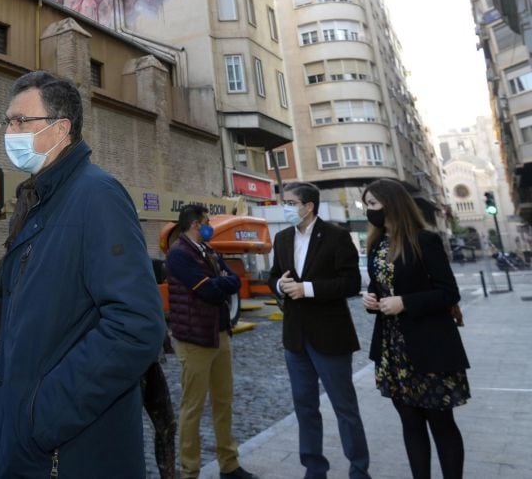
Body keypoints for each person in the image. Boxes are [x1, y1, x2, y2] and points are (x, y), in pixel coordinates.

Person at [0, 71, 165, 479]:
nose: (10, 132)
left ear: (60, 128)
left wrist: (43, 414)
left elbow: (136, 324)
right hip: (23, 442)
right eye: (7, 121)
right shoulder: (40, 198)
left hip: (69, 450)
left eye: (20, 121)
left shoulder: (96, 195)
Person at [362, 178, 469, 479]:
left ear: (392, 203)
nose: (368, 210)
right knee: (410, 423)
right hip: (393, 349)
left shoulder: (425, 240)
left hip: (430, 346)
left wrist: (405, 302)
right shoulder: (377, 244)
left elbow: (448, 293)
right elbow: (380, 287)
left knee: (441, 424)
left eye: (372, 204)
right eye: (366, 205)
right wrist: (371, 299)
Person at [268, 182, 370, 479]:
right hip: (295, 339)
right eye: (283, 202)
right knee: (304, 406)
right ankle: (314, 468)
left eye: (290, 202)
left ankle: (359, 469)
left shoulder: (336, 237)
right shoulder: (283, 238)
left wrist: (307, 289)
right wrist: (280, 286)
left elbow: (350, 283)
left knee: (344, 407)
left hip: (330, 336)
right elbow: (274, 276)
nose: (285, 207)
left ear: (308, 206)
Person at [165, 205, 256, 479]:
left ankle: (229, 464)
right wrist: (221, 284)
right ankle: (189, 471)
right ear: (194, 224)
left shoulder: (210, 251)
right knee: (193, 406)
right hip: (194, 338)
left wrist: (221, 283)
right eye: (206, 223)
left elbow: (235, 281)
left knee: (223, 400)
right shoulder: (179, 254)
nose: (210, 227)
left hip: (219, 333)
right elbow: (207, 290)